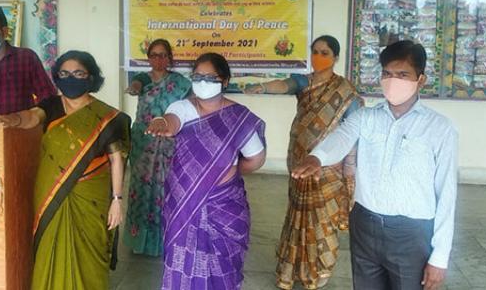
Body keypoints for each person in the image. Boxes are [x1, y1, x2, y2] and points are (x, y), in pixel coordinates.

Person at [292, 40, 458, 290]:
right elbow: (341, 138)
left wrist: (440, 258)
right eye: (387, 74)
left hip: (410, 234)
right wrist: (317, 157)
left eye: (403, 75)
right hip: (365, 224)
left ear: (420, 80)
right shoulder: (367, 117)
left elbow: (447, 194)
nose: (393, 81)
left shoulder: (439, 128)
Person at [0, 50, 131, 290]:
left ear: (91, 78)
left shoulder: (108, 117)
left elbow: (116, 158)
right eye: (64, 74)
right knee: (49, 245)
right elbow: (32, 118)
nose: (71, 79)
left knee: (90, 253)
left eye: (78, 73)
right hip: (51, 193)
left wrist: (117, 200)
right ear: (56, 77)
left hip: (91, 198)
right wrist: (12, 119)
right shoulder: (52, 106)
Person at [245, 35, 363, 290]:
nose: (319, 56)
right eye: (315, 51)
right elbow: (285, 84)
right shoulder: (305, 83)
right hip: (300, 163)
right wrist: (262, 87)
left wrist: (350, 173)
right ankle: (291, 267)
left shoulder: (346, 93)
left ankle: (319, 268)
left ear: (336, 58)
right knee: (297, 216)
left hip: (329, 169)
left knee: (322, 220)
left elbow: (353, 136)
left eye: (325, 52)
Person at [147, 52, 266, 290]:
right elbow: (172, 120)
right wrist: (163, 123)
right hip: (184, 203)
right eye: (197, 77)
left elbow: (256, 159)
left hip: (225, 204)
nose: (202, 83)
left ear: (224, 81)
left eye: (210, 78)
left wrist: (225, 172)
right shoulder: (183, 107)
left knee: (224, 266)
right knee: (181, 260)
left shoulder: (238, 117)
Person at [122, 39, 191, 256]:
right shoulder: (142, 79)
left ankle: (164, 240)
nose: (159, 60)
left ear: (170, 58)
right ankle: (139, 240)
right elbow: (137, 85)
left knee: (165, 190)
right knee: (140, 192)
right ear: (148, 58)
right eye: (154, 55)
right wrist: (134, 88)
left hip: (169, 144)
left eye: (163, 55)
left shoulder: (180, 82)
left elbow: (190, 106)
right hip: (143, 144)